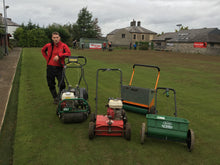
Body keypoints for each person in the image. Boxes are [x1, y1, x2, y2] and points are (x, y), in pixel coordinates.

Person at [41, 32, 71, 104]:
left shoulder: (63, 46)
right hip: (50, 67)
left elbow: (68, 53)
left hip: (60, 67)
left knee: (62, 84)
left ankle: (60, 97)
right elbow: (43, 50)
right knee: (51, 83)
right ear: (52, 38)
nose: (56, 39)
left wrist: (59, 55)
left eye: (57, 37)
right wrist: (47, 58)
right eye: (54, 38)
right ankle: (55, 97)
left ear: (59, 38)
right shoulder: (49, 45)